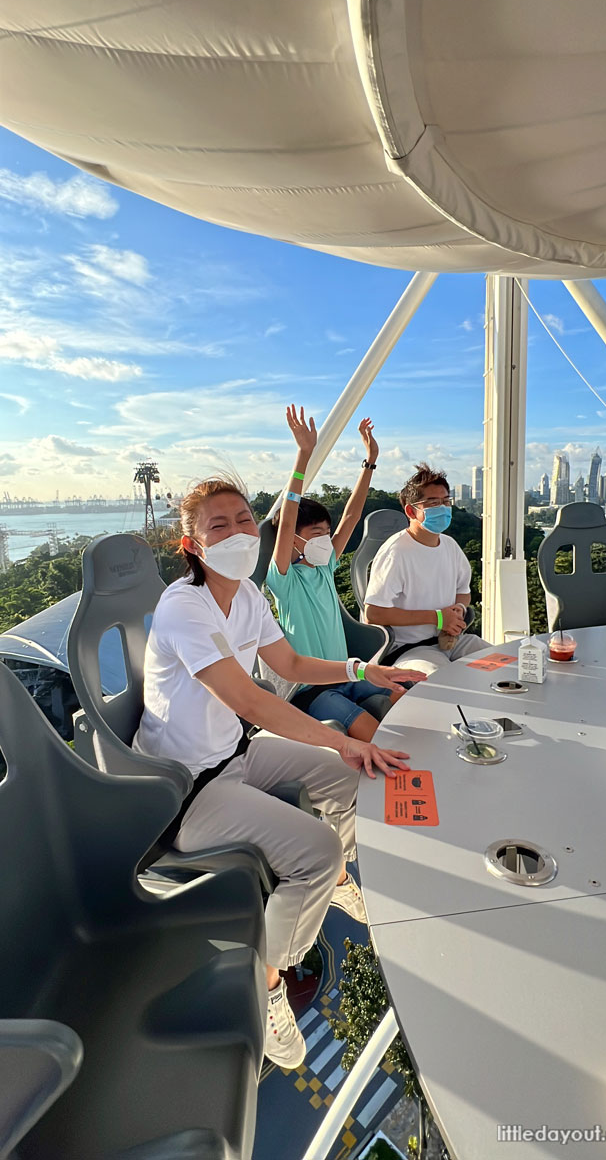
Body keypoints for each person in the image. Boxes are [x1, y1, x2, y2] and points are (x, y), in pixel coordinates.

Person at [134, 474, 414, 1070]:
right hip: (184, 790)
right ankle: (266, 988)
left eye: (241, 519)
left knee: (350, 781)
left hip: (236, 753)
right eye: (218, 524)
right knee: (315, 847)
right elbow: (252, 701)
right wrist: (339, 742)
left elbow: (286, 663)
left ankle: (335, 886)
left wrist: (363, 668)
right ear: (192, 546)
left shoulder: (251, 598)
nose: (236, 531)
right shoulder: (184, 606)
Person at [265, 406, 424, 741]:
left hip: (348, 675)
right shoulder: (285, 580)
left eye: (327, 532)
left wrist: (370, 462)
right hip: (312, 690)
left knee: (407, 697)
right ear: (293, 538)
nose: (325, 539)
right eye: (316, 534)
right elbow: (288, 516)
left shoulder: (325, 567)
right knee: (371, 733)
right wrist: (303, 456)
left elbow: (351, 516)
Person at [364, 462, 490, 673]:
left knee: (506, 665)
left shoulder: (450, 546)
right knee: (443, 682)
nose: (442, 508)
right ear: (411, 511)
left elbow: (463, 592)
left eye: (446, 501)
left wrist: (457, 611)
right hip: (410, 649)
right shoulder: (397, 552)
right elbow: (374, 613)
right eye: (432, 502)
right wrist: (438, 617)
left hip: (453, 641)